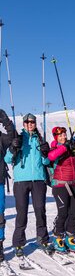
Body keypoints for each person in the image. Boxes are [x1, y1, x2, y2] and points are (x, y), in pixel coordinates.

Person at [4, 113, 51, 257]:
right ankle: (18, 244)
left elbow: (47, 163)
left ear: (35, 123)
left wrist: (45, 153)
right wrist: (13, 148)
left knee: (40, 210)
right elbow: (7, 159)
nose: (30, 124)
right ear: (23, 124)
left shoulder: (40, 139)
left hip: (38, 180)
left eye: (32, 122)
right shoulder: (18, 138)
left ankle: (42, 239)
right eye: (27, 122)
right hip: (21, 181)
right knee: (22, 212)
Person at [0, 109, 15, 262]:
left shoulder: (1, 138)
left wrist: (6, 120)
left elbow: (13, 137)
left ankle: (0, 246)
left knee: (0, 215)